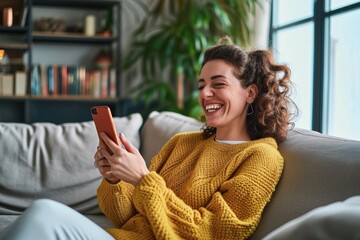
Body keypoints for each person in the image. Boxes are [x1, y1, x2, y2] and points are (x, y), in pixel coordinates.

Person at [0, 37, 296, 240]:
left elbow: (212, 233)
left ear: (250, 94)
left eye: (218, 84)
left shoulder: (261, 157)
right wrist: (116, 179)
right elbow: (126, 218)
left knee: (44, 213)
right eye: (201, 85)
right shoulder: (183, 144)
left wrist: (143, 179)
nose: (205, 95)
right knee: (41, 216)